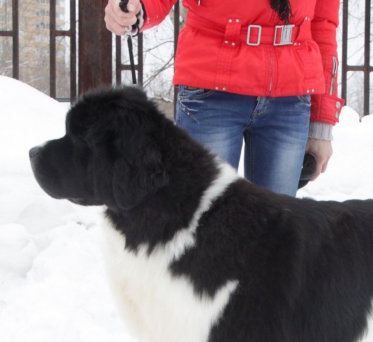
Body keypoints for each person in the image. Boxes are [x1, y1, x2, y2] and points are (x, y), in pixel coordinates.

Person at [104, 0, 344, 196]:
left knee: (276, 237)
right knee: (204, 227)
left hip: (290, 98)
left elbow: (323, 24)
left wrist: (322, 122)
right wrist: (139, 7)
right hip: (212, 89)